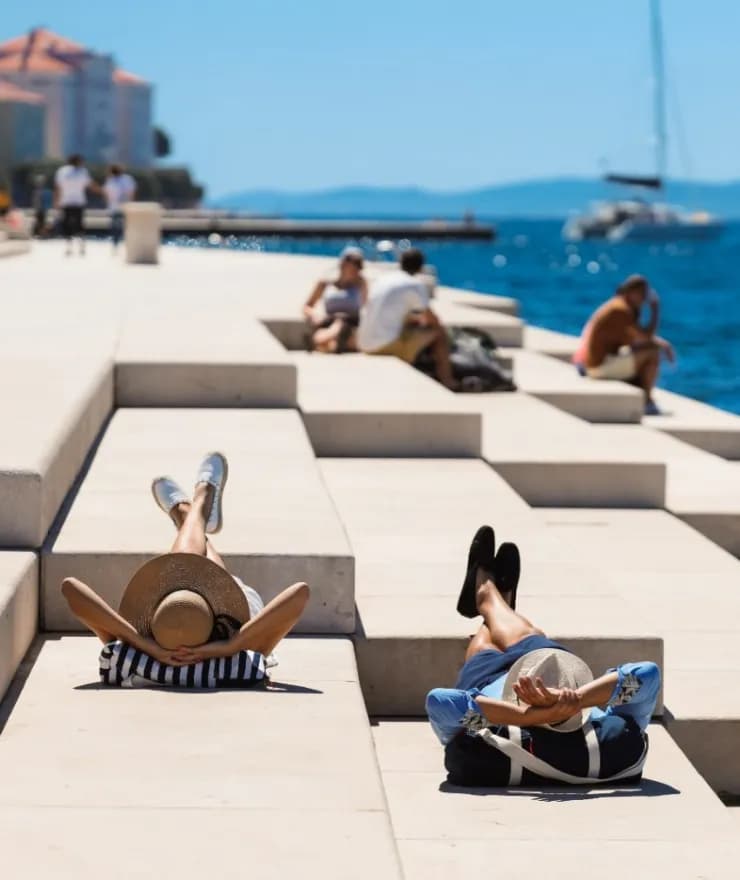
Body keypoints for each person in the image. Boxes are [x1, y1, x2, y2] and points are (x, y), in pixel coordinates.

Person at [425, 525, 660, 786]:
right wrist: (575, 699)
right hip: (546, 666)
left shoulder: (491, 729)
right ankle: (497, 597)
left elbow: (440, 703)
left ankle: (486, 593)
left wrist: (528, 716)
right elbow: (646, 675)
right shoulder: (603, 731)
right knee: (520, 634)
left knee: (486, 645)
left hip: (496, 695)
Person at [61, 452, 310, 687]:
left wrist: (146, 646)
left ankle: (189, 515)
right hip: (235, 610)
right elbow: (300, 594)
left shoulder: (133, 660)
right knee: (189, 559)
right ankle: (200, 501)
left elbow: (71, 588)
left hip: (181, 607)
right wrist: (228, 646)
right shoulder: (238, 659)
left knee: (186, 558)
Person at [574, 275, 675, 415]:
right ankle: (645, 401)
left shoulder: (618, 305)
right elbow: (644, 339)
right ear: (632, 292)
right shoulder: (620, 310)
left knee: (645, 351)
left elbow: (636, 339)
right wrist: (655, 310)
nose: (644, 299)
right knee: (652, 353)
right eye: (642, 294)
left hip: (597, 363)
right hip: (598, 367)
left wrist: (659, 343)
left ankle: (643, 397)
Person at [358, 248, 457, 389]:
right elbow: (432, 319)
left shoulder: (384, 279)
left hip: (363, 343)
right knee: (439, 333)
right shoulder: (414, 284)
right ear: (421, 267)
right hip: (382, 347)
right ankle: (448, 381)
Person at [303, 246, 368, 352]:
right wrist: (314, 315)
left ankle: (322, 342)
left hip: (351, 322)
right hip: (329, 320)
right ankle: (330, 344)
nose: (356, 268)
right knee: (334, 328)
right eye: (353, 263)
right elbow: (307, 306)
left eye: (358, 265)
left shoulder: (361, 284)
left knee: (340, 324)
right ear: (342, 263)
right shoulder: (325, 283)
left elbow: (366, 306)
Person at [54, 154, 100, 256]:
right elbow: (91, 185)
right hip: (79, 202)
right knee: (79, 224)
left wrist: (56, 201)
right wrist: (101, 191)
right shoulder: (82, 171)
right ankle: (81, 244)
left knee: (67, 224)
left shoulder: (62, 171)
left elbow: (58, 187)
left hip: (66, 202)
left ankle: (69, 245)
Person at [103, 164, 136, 251]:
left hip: (115, 208)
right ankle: (125, 244)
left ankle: (116, 245)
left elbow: (107, 194)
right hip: (125, 207)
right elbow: (131, 193)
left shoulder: (110, 180)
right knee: (125, 226)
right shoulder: (127, 179)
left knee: (115, 228)